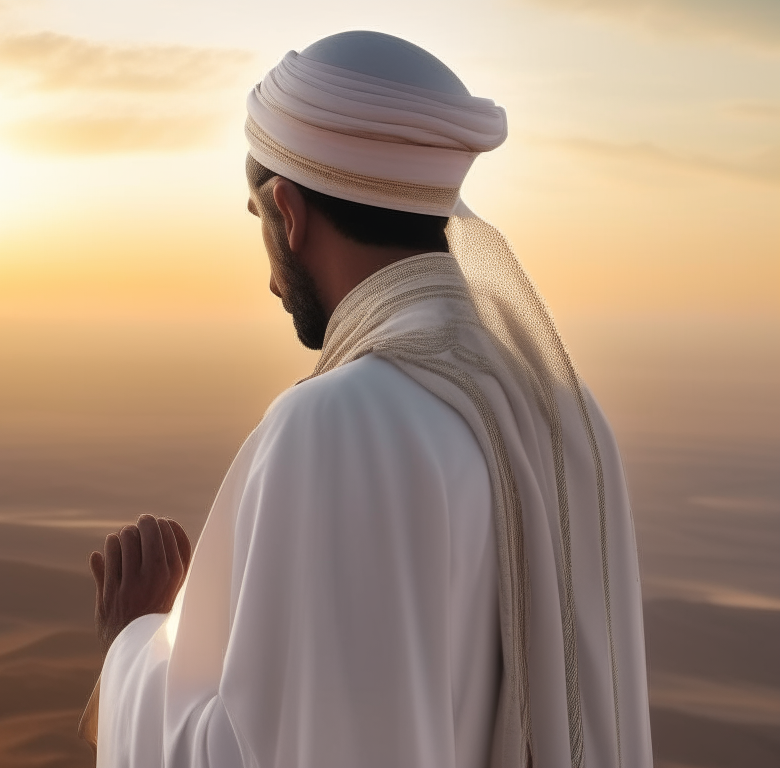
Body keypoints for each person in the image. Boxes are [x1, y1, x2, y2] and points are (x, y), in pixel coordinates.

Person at [84, 31, 653, 768]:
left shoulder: (331, 425)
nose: (269, 279)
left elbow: (259, 754)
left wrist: (134, 643)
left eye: (259, 222)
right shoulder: (564, 413)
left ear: (288, 211)